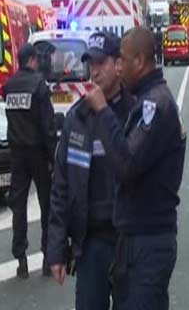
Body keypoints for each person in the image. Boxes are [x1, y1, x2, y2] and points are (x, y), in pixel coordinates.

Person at [85, 27, 186, 310]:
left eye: (122, 60)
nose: (118, 66)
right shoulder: (145, 99)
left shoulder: (155, 104)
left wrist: (104, 112)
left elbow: (126, 163)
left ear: (139, 61)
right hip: (134, 239)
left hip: (149, 240)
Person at [47, 31, 134, 310]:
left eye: (101, 62)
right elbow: (61, 185)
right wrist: (57, 250)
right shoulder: (78, 118)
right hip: (92, 242)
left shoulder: (136, 112)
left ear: (118, 64)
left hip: (129, 240)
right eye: (90, 64)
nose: (94, 71)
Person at [3, 44, 57, 279]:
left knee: (19, 206)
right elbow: (48, 126)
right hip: (38, 153)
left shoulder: (9, 86)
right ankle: (47, 258)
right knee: (47, 206)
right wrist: (53, 157)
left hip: (17, 154)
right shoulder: (39, 86)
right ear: (33, 60)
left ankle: (21, 259)